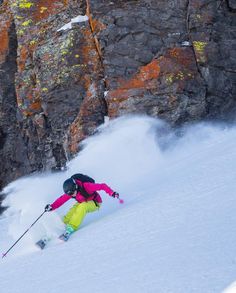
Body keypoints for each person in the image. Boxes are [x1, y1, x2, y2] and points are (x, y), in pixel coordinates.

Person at [44, 175, 120, 241]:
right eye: (69, 194)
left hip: (95, 203)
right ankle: (62, 224)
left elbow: (102, 186)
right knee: (72, 211)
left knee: (83, 207)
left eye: (72, 193)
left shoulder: (87, 186)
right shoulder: (71, 191)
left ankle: (70, 228)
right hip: (82, 201)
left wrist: (112, 193)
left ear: (76, 187)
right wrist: (52, 206)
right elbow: (61, 200)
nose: (71, 195)